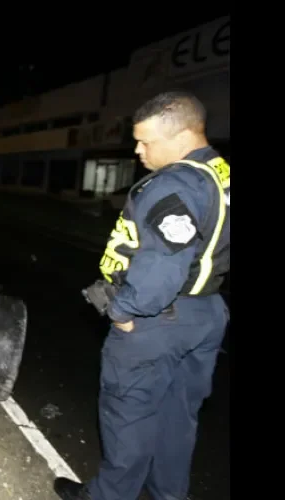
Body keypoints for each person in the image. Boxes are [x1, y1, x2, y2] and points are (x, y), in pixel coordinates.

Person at [61, 91, 230, 500]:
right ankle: (170, 495)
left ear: (183, 135)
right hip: (205, 311)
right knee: (177, 418)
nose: (137, 150)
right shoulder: (219, 172)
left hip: (156, 321)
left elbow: (162, 268)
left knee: (129, 417)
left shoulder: (170, 184)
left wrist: (122, 310)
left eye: (146, 141)